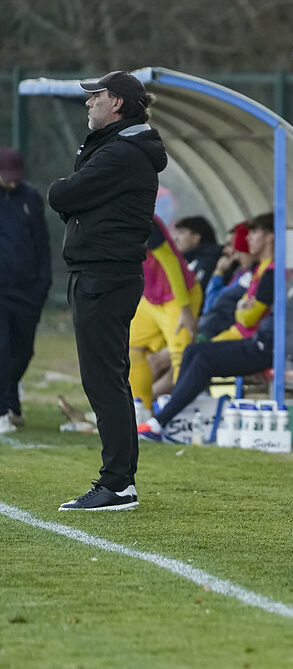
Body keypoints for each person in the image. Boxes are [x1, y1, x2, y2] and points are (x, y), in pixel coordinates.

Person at [48, 70, 167, 511]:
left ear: (116, 102)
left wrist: (72, 197)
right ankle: (120, 481)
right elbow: (76, 198)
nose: (88, 102)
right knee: (107, 378)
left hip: (104, 275)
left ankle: (117, 483)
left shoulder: (121, 154)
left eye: (94, 95)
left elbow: (63, 195)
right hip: (102, 274)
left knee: (103, 380)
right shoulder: (118, 149)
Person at [136, 214, 277, 439]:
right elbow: (234, 309)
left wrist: (242, 308)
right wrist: (243, 307)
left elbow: (247, 318)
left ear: (270, 237)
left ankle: (159, 421)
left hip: (261, 345)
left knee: (200, 359)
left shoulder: (271, 273)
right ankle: (168, 417)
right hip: (249, 338)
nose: (248, 238)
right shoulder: (261, 270)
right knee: (192, 351)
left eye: (254, 232)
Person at [128, 216, 201, 417]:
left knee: (181, 358)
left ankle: (176, 420)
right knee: (130, 348)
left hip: (178, 296)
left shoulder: (142, 218)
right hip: (151, 298)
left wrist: (185, 309)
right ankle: (140, 414)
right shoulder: (109, 219)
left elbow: (170, 260)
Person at [0, 147, 51, 433]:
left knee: (23, 351)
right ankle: (3, 409)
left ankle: (10, 399)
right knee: (2, 349)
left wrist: (43, 283)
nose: (11, 181)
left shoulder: (30, 197)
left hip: (28, 290)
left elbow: (41, 242)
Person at [173, 215, 221, 293]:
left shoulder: (208, 261)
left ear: (196, 238)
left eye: (181, 232)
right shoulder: (193, 260)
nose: (175, 238)